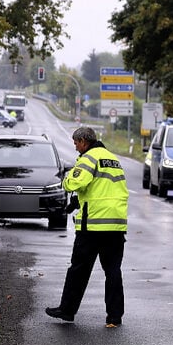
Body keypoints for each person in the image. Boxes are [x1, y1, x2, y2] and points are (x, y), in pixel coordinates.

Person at [45, 127, 129, 327]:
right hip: (116, 225)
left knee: (79, 270)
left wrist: (67, 181)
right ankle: (114, 317)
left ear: (84, 141)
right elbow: (101, 188)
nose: (75, 148)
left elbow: (73, 183)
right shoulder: (113, 159)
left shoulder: (89, 158)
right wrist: (77, 202)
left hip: (93, 225)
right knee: (113, 271)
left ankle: (66, 311)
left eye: (76, 143)